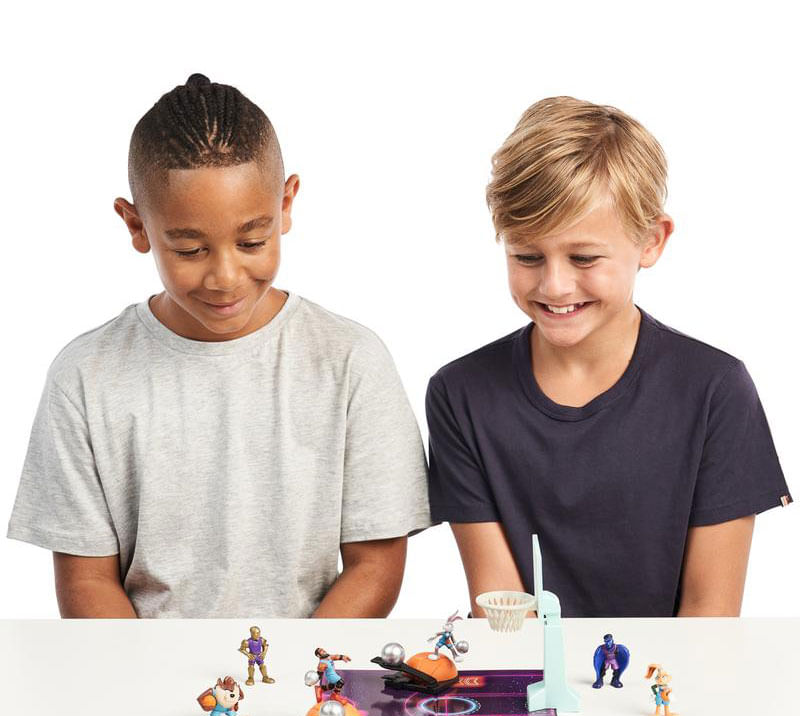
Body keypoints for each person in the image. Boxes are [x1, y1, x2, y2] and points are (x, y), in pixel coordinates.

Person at [7, 74, 431, 618]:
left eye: (252, 242)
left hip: (310, 667)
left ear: (286, 204)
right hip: (142, 665)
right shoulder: (85, 376)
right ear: (137, 226)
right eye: (190, 250)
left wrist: (294, 664)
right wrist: (154, 671)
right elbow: (87, 580)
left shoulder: (351, 361)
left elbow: (375, 566)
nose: (225, 277)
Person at [426, 96, 791, 618]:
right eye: (527, 256)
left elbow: (709, 614)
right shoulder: (461, 393)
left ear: (652, 241)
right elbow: (502, 610)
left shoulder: (714, 388)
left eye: (583, 257)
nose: (554, 285)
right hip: (527, 667)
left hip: (674, 670)